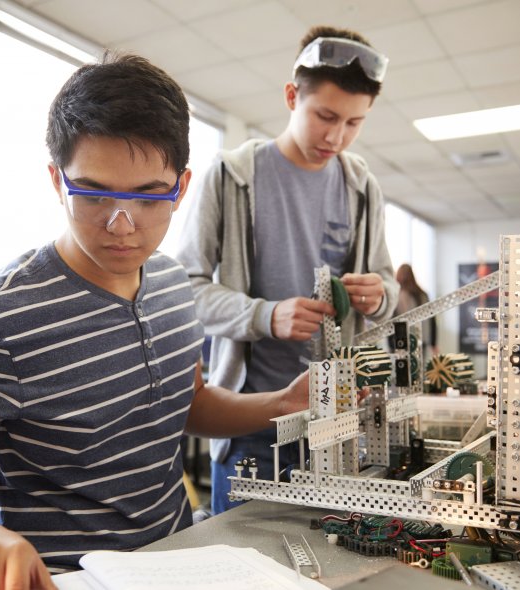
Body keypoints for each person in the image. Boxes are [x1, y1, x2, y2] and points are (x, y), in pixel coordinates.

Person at [0, 52, 309, 586]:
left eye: (150, 198)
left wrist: (282, 405)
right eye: (94, 193)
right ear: (57, 182)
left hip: (181, 559)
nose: (123, 225)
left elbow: (185, 402)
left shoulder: (176, 284)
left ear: (181, 185)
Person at [176, 25, 399, 515]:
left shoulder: (363, 187)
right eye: (325, 116)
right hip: (251, 429)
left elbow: (389, 290)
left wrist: (378, 295)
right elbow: (184, 290)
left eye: (354, 123)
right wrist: (264, 315)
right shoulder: (231, 175)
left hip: (338, 425)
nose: (337, 136)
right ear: (291, 95)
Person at [394, 263, 438, 357]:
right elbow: (432, 320)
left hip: (403, 342)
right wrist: (434, 343)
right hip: (423, 340)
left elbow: (394, 322)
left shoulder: (398, 296)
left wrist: (392, 345)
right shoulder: (423, 295)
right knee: (420, 368)